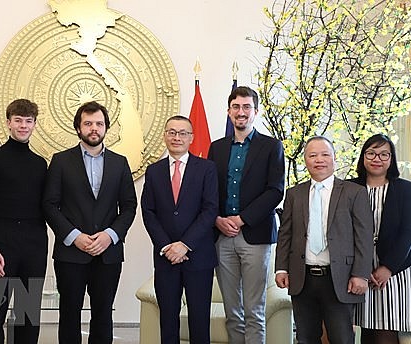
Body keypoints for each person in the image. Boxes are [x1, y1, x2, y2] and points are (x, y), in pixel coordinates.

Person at [43, 101, 137, 344]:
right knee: (69, 314)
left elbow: (128, 207)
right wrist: (75, 236)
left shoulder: (120, 163)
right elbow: (50, 205)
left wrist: (110, 235)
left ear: (106, 127)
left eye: (99, 123)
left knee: (103, 313)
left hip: (109, 253)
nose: (94, 128)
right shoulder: (61, 161)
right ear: (78, 128)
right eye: (88, 123)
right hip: (70, 253)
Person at [275, 136, 374, 344]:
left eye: (325, 154)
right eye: (312, 155)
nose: (319, 159)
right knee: (305, 337)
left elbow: (363, 236)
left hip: (339, 278)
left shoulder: (354, 192)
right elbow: (285, 233)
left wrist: (361, 274)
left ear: (334, 159)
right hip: (303, 278)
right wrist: (281, 268)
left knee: (341, 337)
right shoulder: (294, 193)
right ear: (305, 160)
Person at [207, 86, 285, 344]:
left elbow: (275, 191)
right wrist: (218, 219)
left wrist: (241, 220)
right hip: (222, 236)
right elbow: (209, 191)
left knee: (254, 311)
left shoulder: (272, 146)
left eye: (247, 107)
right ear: (229, 112)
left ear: (255, 112)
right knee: (233, 312)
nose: (241, 112)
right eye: (236, 107)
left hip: (255, 235)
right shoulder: (216, 148)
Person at [0, 99, 48, 344]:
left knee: (28, 313)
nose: (23, 126)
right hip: (0, 240)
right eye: (18, 120)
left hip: (34, 243)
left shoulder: (40, 164)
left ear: (35, 124)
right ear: (8, 123)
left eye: (28, 121)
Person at [141, 115, 219, 343]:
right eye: (172, 132)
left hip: (198, 257)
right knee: (168, 319)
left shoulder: (207, 168)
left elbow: (210, 210)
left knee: (199, 320)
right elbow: (148, 212)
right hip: (166, 258)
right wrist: (167, 246)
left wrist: (184, 245)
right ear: (165, 135)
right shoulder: (154, 171)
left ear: (191, 137)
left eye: (183, 133)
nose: (177, 137)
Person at [351, 134, 411, 344]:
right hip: (358, 270)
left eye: (384, 154)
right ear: (363, 157)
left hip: (395, 270)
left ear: (391, 159)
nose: (377, 158)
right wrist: (358, 270)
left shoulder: (405, 189)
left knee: (386, 329)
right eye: (371, 153)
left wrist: (387, 267)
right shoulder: (350, 187)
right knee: (366, 328)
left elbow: (408, 232)